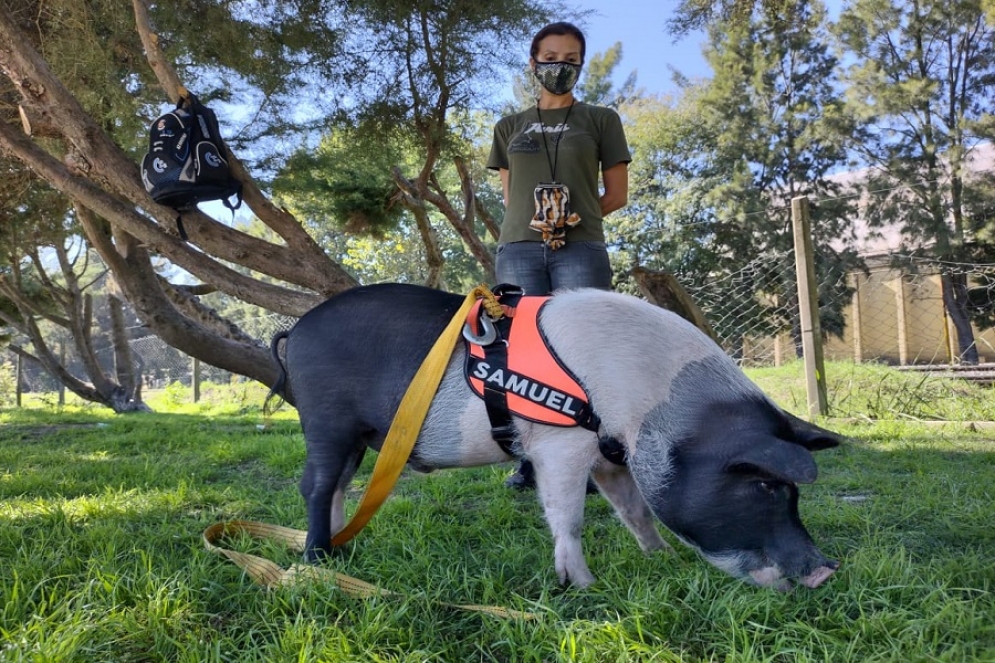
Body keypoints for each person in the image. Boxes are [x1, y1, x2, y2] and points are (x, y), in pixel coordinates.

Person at [486, 21, 631, 490]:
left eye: (570, 60)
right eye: (550, 58)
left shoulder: (600, 120)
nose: (559, 67)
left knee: (585, 352)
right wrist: (536, 224)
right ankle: (531, 462)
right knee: (525, 354)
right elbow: (512, 199)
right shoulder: (509, 127)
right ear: (533, 63)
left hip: (580, 247)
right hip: (519, 248)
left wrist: (572, 218)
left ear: (580, 65)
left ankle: (591, 462)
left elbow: (616, 194)